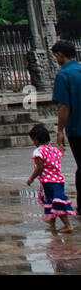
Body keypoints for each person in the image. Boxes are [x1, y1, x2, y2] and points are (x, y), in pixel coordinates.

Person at [26, 123, 75, 232]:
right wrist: (61, 144)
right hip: (59, 180)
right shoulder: (54, 150)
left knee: (57, 203)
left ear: (36, 139)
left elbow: (39, 167)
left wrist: (31, 178)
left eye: (33, 140)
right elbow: (61, 151)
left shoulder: (38, 151)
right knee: (52, 203)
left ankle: (68, 225)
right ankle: (52, 225)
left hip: (49, 182)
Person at [52, 42, 81, 195]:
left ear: (60, 55)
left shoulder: (64, 75)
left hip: (77, 128)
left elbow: (64, 106)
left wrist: (60, 130)